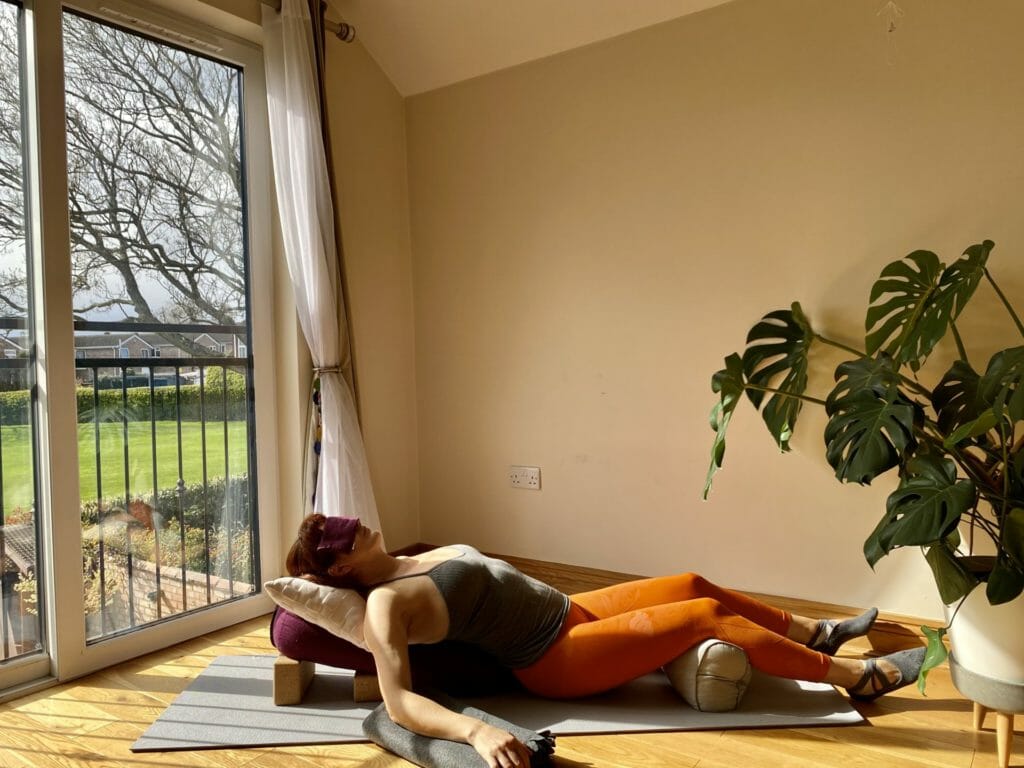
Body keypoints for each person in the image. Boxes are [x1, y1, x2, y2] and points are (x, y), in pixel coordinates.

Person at [286, 514, 926, 768]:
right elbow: (398, 702)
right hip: (551, 658)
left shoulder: (409, 557)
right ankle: (856, 679)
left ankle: (816, 631)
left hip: (571, 610)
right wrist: (477, 732)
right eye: (338, 535)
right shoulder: (386, 606)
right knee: (702, 614)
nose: (355, 523)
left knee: (691, 581)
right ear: (338, 568)